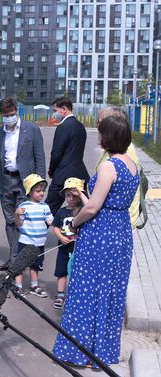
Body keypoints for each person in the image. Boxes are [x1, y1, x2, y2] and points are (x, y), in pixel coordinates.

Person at [52, 115, 140, 368]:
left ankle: (80, 352)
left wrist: (74, 222)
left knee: (86, 291)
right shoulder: (132, 165)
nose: (98, 137)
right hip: (120, 232)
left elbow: (92, 208)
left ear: (108, 137)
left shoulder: (108, 166)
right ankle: (102, 351)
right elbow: (109, 199)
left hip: (100, 234)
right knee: (110, 292)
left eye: (101, 133)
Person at [0, 97, 45, 271]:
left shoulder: (31, 130)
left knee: (21, 219)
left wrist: (39, 184)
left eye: (12, 113)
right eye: (6, 115)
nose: (9, 117)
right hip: (6, 180)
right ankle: (13, 256)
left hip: (26, 182)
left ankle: (19, 259)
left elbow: (40, 157)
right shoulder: (0, 133)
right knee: (9, 221)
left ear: (17, 111)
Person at [96, 106, 141, 228]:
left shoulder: (122, 151)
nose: (97, 127)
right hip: (114, 219)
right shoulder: (112, 149)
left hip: (114, 222)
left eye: (100, 122)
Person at [46, 97, 89, 216]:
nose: (54, 114)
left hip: (62, 174)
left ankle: (36, 232)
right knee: (83, 208)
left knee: (49, 208)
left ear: (64, 109)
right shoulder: (80, 126)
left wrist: (51, 170)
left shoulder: (63, 127)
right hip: (79, 174)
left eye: (56, 110)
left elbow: (56, 153)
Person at [13, 174, 53, 296]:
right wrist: (17, 215)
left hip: (40, 243)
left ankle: (34, 285)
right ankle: (18, 287)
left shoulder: (45, 207)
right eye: (38, 191)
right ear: (29, 192)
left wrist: (63, 226)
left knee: (35, 265)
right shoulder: (24, 206)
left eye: (43, 190)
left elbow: (50, 221)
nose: (42, 193)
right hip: (26, 241)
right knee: (20, 265)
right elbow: (19, 224)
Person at [51, 177, 85, 310]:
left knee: (76, 272)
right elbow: (55, 227)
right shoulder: (61, 211)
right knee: (62, 271)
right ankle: (60, 295)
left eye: (73, 195)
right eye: (68, 195)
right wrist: (61, 237)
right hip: (64, 247)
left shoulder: (83, 211)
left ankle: (75, 296)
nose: (70, 199)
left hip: (77, 248)